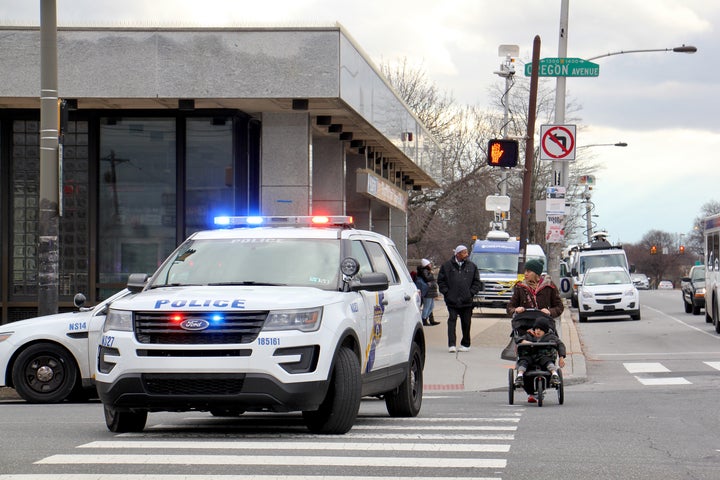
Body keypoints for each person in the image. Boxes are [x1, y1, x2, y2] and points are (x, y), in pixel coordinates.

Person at [437, 245, 482, 353]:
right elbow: (441, 281)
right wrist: (447, 293)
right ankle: (451, 344)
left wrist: (471, 293)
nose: (466, 255)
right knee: (452, 321)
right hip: (452, 300)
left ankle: (465, 344)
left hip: (467, 301)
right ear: (457, 254)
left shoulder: (472, 266)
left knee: (466, 322)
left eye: (467, 252)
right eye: (464, 253)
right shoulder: (446, 266)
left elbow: (477, 282)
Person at [514, 316, 566, 387]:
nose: (538, 331)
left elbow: (560, 344)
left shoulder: (550, 337)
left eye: (540, 330)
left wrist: (561, 357)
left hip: (543, 356)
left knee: (548, 361)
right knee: (524, 361)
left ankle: (554, 374)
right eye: (536, 329)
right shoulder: (529, 335)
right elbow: (517, 339)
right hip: (530, 356)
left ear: (545, 331)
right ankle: (520, 376)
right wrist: (523, 341)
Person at [417, 259, 440, 326]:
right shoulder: (425, 271)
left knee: (431, 306)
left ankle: (425, 318)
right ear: (426, 265)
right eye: (429, 264)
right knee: (427, 306)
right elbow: (427, 278)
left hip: (430, 291)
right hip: (427, 292)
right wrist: (431, 274)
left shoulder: (427, 271)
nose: (430, 265)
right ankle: (424, 319)